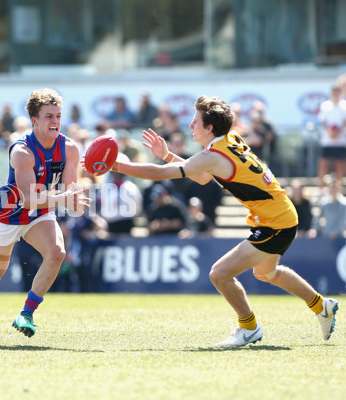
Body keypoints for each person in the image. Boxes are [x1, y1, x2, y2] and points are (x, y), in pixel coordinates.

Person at [109, 95, 339, 346]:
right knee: (266, 272)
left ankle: (248, 327)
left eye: (195, 121)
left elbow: (160, 174)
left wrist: (116, 164)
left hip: (275, 222)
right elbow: (203, 177)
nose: (190, 126)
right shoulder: (229, 139)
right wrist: (167, 154)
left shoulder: (212, 155)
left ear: (209, 127)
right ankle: (321, 305)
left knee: (219, 274)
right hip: (279, 215)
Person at [0, 88, 90, 344]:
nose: (55, 121)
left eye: (58, 116)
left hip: (40, 212)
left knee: (57, 253)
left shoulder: (70, 149)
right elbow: (27, 199)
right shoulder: (22, 151)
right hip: (9, 214)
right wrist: (63, 199)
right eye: (49, 116)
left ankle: (26, 314)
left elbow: (70, 195)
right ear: (34, 120)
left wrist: (76, 202)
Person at [317, 83, 346, 189]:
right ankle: (321, 186)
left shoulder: (344, 105)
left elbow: (344, 121)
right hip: (327, 140)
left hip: (340, 140)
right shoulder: (325, 106)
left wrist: (337, 132)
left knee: (340, 163)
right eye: (334, 92)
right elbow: (323, 121)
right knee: (323, 162)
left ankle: (338, 187)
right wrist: (330, 132)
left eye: (337, 92)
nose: (336, 94)